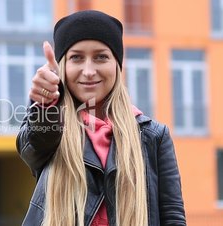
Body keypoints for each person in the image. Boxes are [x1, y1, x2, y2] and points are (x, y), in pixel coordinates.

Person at [16, 10, 186, 226]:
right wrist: (46, 104)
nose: (88, 71)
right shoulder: (52, 125)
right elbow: (32, 147)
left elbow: (172, 216)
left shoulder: (154, 136)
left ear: (117, 65)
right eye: (76, 57)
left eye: (101, 57)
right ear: (62, 68)